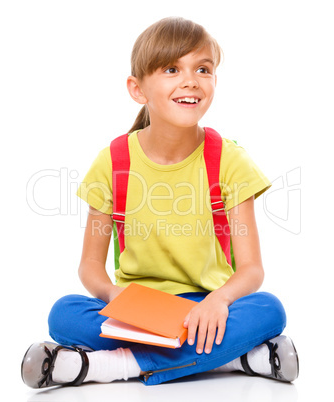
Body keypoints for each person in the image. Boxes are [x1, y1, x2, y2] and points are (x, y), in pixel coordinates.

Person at [21, 17, 299, 388]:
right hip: (136, 310)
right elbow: (90, 264)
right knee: (65, 314)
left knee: (268, 310)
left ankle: (107, 367)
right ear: (137, 89)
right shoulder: (113, 163)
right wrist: (112, 295)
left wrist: (218, 301)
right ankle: (238, 358)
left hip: (205, 308)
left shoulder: (230, 161)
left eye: (203, 69)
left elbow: (251, 269)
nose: (191, 80)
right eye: (172, 69)